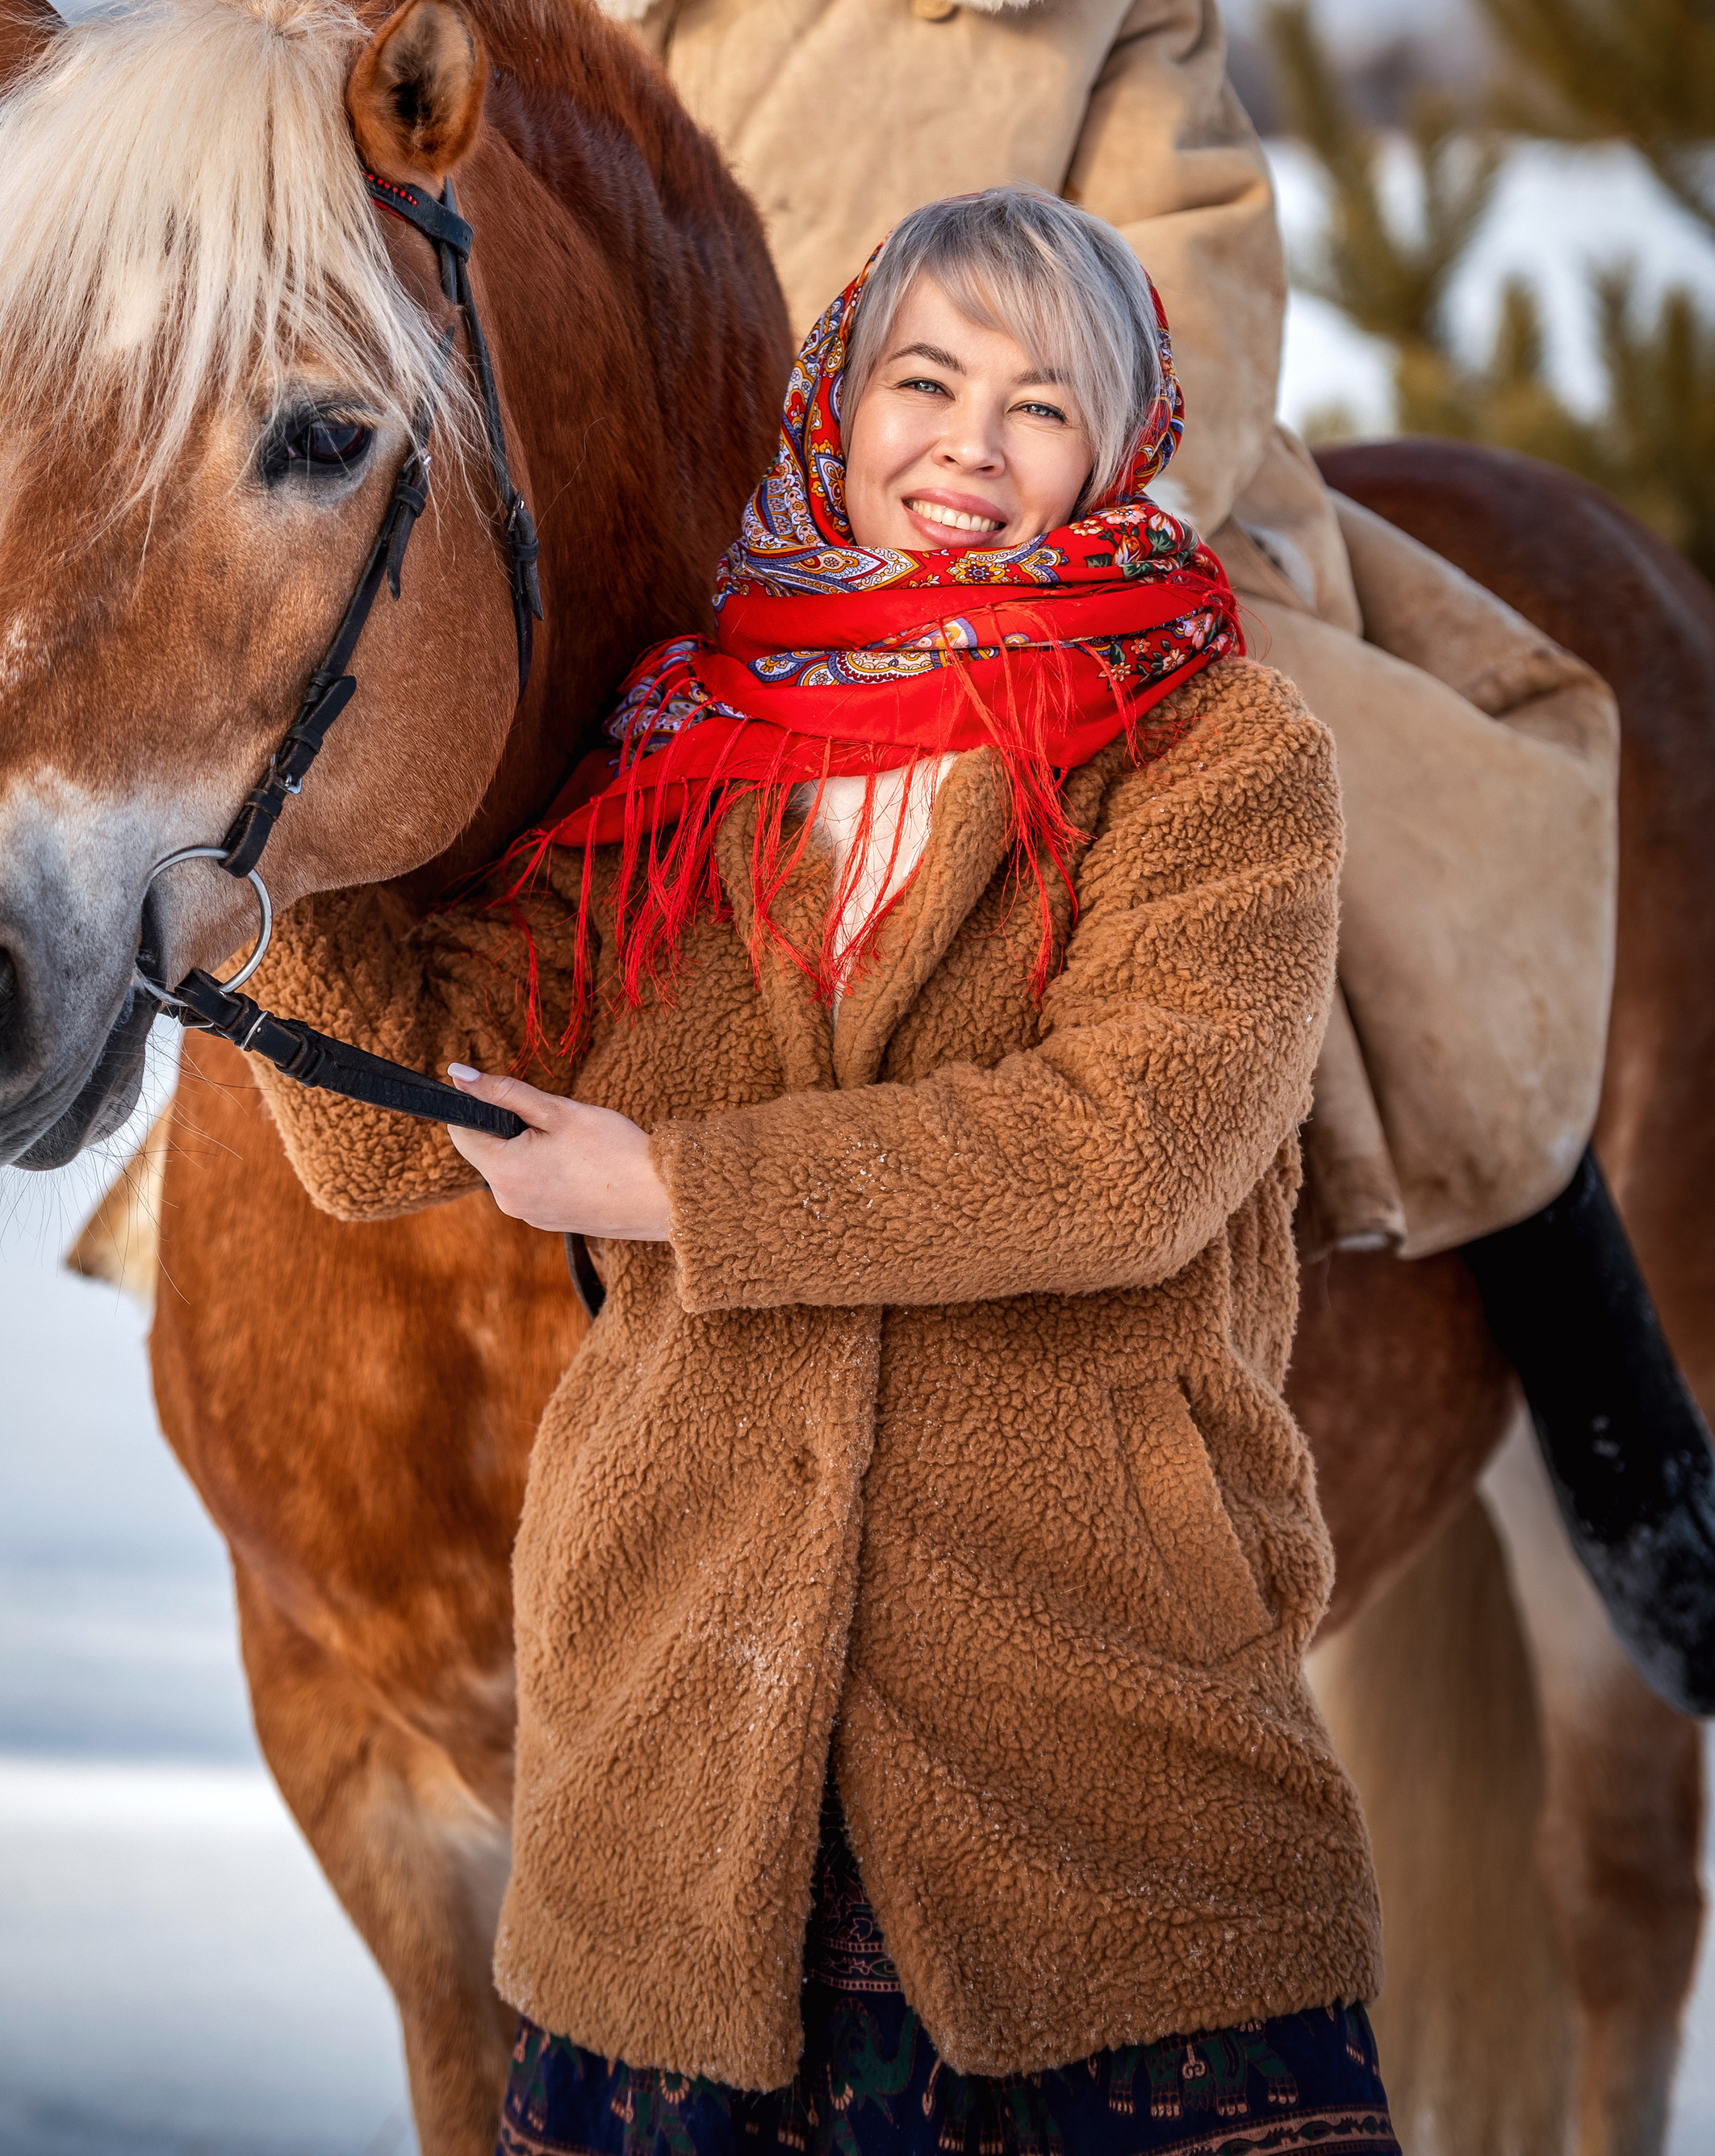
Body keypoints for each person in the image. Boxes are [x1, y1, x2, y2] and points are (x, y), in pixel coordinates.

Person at [249, 188, 1395, 2153]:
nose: (967, 440)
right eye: (923, 380)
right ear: (834, 406)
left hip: (1096, 1754)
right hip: (679, 1785)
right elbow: (375, 1135)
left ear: (1116, 447)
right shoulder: (685, 751)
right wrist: (272, 863)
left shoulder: (1216, 758)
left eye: (1040, 402)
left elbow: (1126, 1152)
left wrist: (679, 1191)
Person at [503, 0, 1619, 1270]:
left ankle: (1414, 1212)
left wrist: (1063, 513)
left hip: (1034, 518)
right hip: (701, 556)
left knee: (1338, 838)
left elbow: (1186, 259)